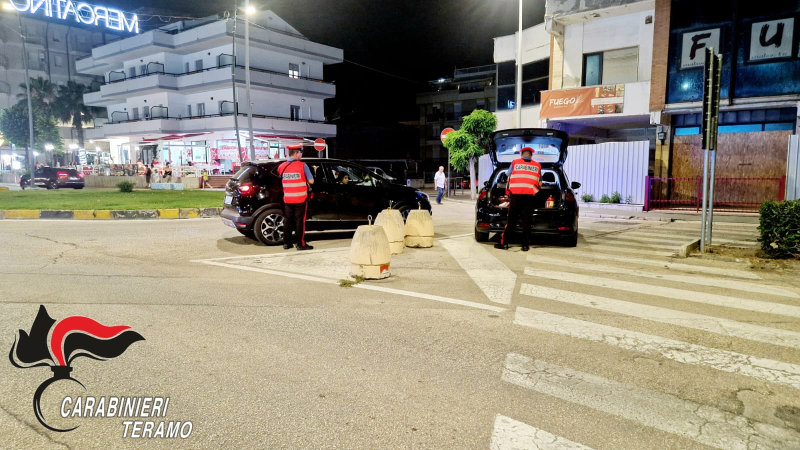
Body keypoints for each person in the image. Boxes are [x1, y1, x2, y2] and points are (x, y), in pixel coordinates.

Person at [495, 147, 541, 252]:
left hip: (516, 196)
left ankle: (505, 243)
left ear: (521, 155)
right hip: (529, 197)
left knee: (511, 220)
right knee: (526, 221)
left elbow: (508, 176)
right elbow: (540, 182)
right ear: (531, 156)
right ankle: (525, 245)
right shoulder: (537, 165)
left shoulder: (515, 162)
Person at [278, 145, 314, 251]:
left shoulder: (282, 166)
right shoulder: (303, 165)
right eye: (301, 153)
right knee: (299, 221)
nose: (301, 155)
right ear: (296, 153)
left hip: (288, 199)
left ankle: (286, 243)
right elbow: (311, 181)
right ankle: (300, 244)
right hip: (300, 198)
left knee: (288, 220)